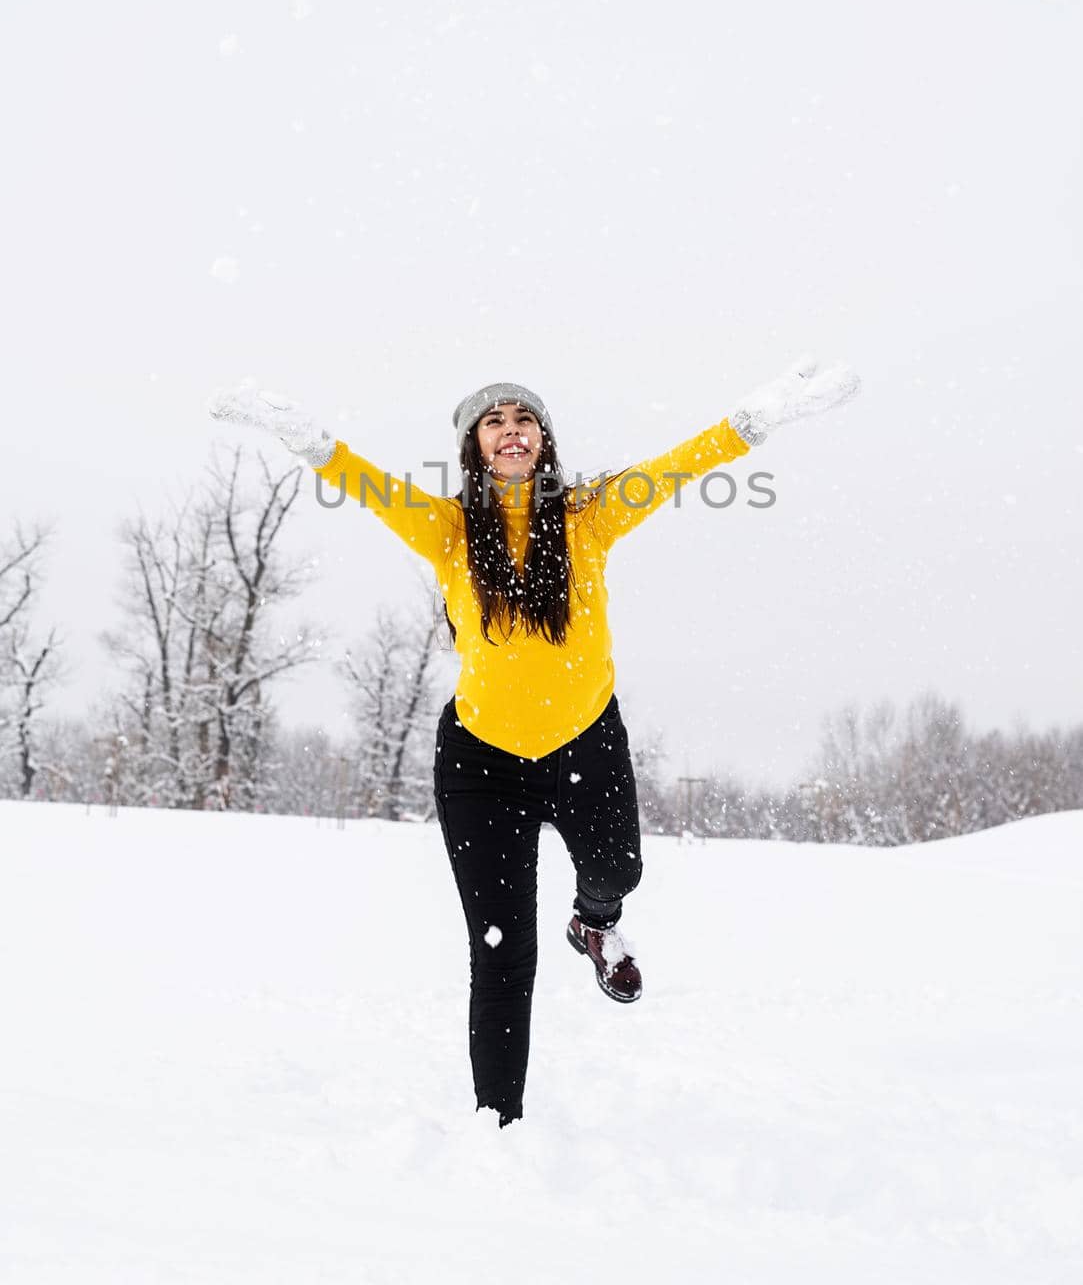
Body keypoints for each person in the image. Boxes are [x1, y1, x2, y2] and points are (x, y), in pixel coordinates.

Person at [208, 354, 860, 1128]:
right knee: (502, 953)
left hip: (584, 741)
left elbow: (679, 466)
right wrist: (303, 436)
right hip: (481, 763)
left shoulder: (590, 514)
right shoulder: (447, 530)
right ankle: (498, 1126)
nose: (511, 431)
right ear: (473, 449)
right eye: (494, 422)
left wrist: (761, 414)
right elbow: (367, 486)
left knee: (618, 866)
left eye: (523, 421)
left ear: (543, 441)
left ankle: (593, 921)